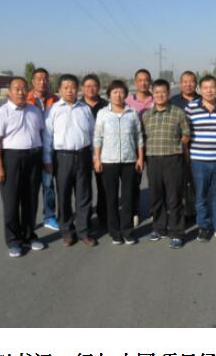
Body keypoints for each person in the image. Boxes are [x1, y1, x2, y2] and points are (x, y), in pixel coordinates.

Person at [0, 77, 47, 258]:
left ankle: (29, 236)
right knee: (11, 202)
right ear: (9, 92)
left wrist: (44, 158)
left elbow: (42, 133)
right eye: (17, 89)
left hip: (34, 157)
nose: (21, 92)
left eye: (24, 88)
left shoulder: (34, 111)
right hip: (12, 159)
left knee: (31, 200)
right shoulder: (2, 113)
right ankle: (13, 240)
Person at [43, 74, 97, 247]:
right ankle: (67, 231)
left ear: (78, 89)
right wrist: (47, 159)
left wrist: (95, 156)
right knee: (64, 195)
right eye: (65, 87)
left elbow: (93, 133)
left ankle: (84, 231)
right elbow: (47, 136)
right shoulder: (53, 110)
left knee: (84, 195)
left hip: (83, 155)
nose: (69, 91)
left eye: (73, 87)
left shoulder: (85, 109)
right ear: (59, 89)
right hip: (62, 157)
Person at [185, 74, 216, 243]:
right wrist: (186, 157)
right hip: (198, 161)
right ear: (200, 89)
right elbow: (185, 134)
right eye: (205, 88)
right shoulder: (191, 108)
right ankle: (203, 227)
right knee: (201, 198)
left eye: (212, 87)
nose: (209, 91)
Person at [93, 80, 144, 245]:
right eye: (114, 92)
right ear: (109, 95)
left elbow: (139, 137)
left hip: (129, 161)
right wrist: (96, 158)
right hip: (109, 161)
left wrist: (140, 158)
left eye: (121, 92)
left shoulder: (132, 113)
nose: (118, 95)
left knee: (128, 197)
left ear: (126, 95)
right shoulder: (102, 113)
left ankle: (127, 231)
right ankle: (114, 232)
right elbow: (98, 137)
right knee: (111, 198)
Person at [142, 79, 190, 249]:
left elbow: (186, 134)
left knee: (174, 197)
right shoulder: (146, 115)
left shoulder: (178, 112)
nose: (160, 95)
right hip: (153, 159)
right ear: (152, 94)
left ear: (168, 93)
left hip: (172, 159)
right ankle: (159, 228)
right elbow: (144, 137)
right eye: (156, 92)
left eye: (163, 92)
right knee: (156, 196)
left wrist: (177, 146)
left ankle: (177, 233)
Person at [27, 67, 59, 231]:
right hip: (31, 149)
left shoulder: (56, 100)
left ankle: (49, 216)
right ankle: (29, 220)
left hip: (49, 148)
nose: (42, 82)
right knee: (30, 187)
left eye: (45, 79)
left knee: (48, 185)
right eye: (39, 79)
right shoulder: (25, 99)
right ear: (32, 81)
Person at [169, 71, 201, 222]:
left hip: (199, 147)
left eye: (191, 81)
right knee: (179, 181)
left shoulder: (203, 100)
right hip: (178, 147)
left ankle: (195, 210)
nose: (188, 84)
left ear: (196, 84)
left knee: (196, 181)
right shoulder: (173, 101)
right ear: (180, 84)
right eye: (185, 82)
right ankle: (180, 212)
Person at [80, 74, 109, 233]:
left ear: (99, 88)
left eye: (94, 86)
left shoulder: (106, 106)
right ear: (82, 88)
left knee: (103, 186)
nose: (91, 89)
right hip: (83, 152)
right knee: (84, 188)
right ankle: (85, 220)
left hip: (103, 152)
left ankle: (103, 216)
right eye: (87, 86)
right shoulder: (77, 106)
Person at [125, 68, 154, 227]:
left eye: (146, 80)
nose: (143, 83)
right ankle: (134, 211)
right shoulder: (128, 101)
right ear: (135, 82)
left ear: (150, 82)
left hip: (154, 145)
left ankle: (156, 210)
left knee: (155, 180)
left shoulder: (156, 99)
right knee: (133, 181)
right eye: (140, 80)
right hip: (134, 146)